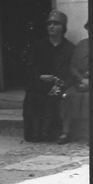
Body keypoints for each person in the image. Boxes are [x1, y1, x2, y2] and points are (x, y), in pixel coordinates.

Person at [23, 9, 75, 143]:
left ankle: (49, 132)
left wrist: (61, 83)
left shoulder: (69, 48)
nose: (51, 26)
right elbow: (31, 67)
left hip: (59, 84)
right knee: (33, 94)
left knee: (55, 97)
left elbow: (72, 71)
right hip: (40, 82)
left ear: (63, 27)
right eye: (49, 24)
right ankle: (35, 132)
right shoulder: (38, 46)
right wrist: (40, 77)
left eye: (56, 24)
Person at [58, 21, 89, 144]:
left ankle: (91, 133)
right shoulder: (82, 44)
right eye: (89, 28)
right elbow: (72, 67)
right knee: (67, 95)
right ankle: (65, 132)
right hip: (80, 81)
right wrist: (81, 79)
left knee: (91, 98)